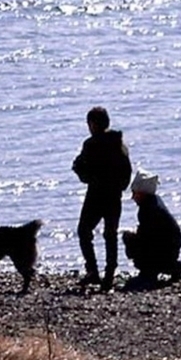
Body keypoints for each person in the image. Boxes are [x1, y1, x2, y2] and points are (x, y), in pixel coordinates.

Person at [72, 106, 133, 291]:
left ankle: (92, 271)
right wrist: (120, 187)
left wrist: (79, 169)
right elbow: (127, 171)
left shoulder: (91, 144)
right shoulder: (119, 143)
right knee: (110, 235)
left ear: (93, 124)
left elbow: (84, 171)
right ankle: (109, 275)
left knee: (84, 231)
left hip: (96, 194)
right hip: (114, 195)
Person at [122, 169, 181, 286]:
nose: (133, 197)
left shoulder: (147, 209)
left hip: (164, 248)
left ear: (140, 193)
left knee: (129, 238)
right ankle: (166, 266)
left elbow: (147, 237)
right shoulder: (154, 202)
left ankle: (150, 269)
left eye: (134, 193)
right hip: (171, 246)